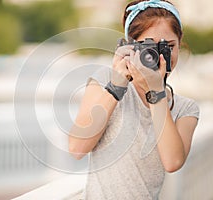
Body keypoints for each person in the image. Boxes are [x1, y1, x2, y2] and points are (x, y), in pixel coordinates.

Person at [68, 0, 200, 199]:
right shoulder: (105, 82)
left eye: (169, 46)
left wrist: (156, 91)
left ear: (180, 45)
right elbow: (77, 148)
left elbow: (173, 162)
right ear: (131, 46)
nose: (160, 56)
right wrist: (116, 87)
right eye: (151, 46)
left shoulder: (185, 108)